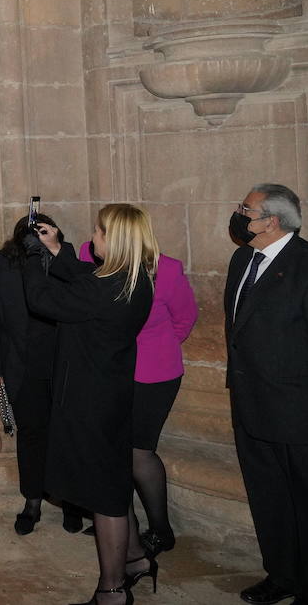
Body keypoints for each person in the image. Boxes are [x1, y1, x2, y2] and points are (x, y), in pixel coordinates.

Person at [23, 205, 157, 605]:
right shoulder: (131, 279)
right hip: (110, 393)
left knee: (106, 496)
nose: (92, 237)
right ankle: (134, 560)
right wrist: (58, 247)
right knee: (113, 481)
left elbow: (42, 299)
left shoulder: (105, 288)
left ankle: (112, 590)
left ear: (112, 239)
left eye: (97, 231)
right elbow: (84, 276)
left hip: (90, 399)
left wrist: (33, 254)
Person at [225, 184, 308, 605]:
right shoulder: (243, 258)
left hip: (302, 413)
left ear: (272, 221)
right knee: (270, 498)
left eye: (246, 209)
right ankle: (284, 575)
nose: (239, 214)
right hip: (252, 404)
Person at [77, 236, 197, 557]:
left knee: (137, 452)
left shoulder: (166, 269)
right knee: (111, 451)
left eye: (102, 229)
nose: (95, 236)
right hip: (107, 372)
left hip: (152, 374)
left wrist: (157, 348)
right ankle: (120, 521)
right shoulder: (89, 256)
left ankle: (161, 530)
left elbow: (185, 317)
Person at [0, 213, 64, 535]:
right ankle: (32, 501)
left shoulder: (63, 261)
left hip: (62, 363)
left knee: (64, 433)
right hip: (21, 364)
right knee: (31, 434)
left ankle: (68, 499)